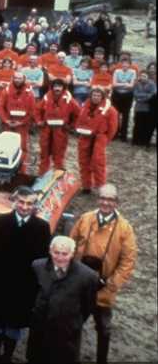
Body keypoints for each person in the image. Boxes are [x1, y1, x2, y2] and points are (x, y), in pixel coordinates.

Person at [0, 187, 51, 363]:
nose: (25, 207)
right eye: (21, 202)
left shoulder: (42, 228)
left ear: (35, 205)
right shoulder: (0, 221)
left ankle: (7, 356)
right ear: (15, 201)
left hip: (23, 288)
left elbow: (43, 261)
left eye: (29, 203)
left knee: (14, 327)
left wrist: (35, 290)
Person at [69, 184, 137, 364]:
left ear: (117, 203)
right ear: (98, 199)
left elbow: (128, 261)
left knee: (104, 328)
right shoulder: (85, 219)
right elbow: (70, 243)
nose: (106, 202)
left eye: (111, 199)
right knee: (72, 325)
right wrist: (72, 272)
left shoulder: (125, 229)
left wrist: (111, 283)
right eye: (103, 198)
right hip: (80, 284)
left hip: (104, 288)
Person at [27, 236, 99, 364]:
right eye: (56, 253)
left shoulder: (88, 276)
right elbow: (31, 293)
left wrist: (74, 322)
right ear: (50, 251)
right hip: (40, 327)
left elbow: (88, 305)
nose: (60, 258)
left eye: (64, 254)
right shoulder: (37, 266)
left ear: (72, 253)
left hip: (67, 332)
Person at [75, 87, 119, 194]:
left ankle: (100, 186)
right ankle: (86, 186)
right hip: (85, 137)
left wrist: (104, 139)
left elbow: (113, 128)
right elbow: (79, 121)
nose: (96, 97)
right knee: (83, 162)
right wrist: (80, 130)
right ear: (90, 96)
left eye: (98, 96)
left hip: (100, 137)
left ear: (103, 97)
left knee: (98, 162)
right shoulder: (84, 107)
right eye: (94, 95)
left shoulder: (110, 110)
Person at [35, 78, 81, 176]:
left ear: (63, 88)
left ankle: (58, 177)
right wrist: (39, 121)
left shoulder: (69, 100)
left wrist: (71, 126)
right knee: (44, 153)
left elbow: (78, 114)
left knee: (59, 155)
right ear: (52, 87)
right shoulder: (46, 98)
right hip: (46, 129)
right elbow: (37, 110)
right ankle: (42, 175)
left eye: (59, 86)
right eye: (55, 86)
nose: (57, 88)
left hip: (61, 130)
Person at [0, 72, 36, 172]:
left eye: (20, 78)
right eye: (16, 78)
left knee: (22, 147)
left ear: (23, 79)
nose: (18, 80)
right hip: (8, 123)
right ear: (12, 78)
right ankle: (5, 166)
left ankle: (21, 170)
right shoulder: (6, 91)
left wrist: (22, 122)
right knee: (6, 145)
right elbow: (0, 107)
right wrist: (6, 120)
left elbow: (32, 110)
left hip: (22, 125)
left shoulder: (29, 92)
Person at [111, 53, 138, 141]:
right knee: (116, 115)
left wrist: (121, 84)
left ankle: (123, 136)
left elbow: (131, 86)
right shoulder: (117, 71)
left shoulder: (133, 72)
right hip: (117, 95)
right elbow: (114, 84)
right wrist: (125, 84)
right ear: (121, 64)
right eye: (123, 63)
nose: (125, 65)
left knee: (126, 115)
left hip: (127, 96)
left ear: (130, 65)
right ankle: (114, 134)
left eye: (127, 64)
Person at [132, 70, 157, 145]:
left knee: (145, 125)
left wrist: (142, 97)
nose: (143, 78)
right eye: (141, 76)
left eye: (144, 76)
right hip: (138, 107)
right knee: (137, 124)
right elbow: (135, 94)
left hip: (147, 107)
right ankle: (135, 141)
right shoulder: (137, 84)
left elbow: (152, 94)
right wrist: (144, 96)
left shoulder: (152, 84)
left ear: (148, 77)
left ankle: (143, 141)